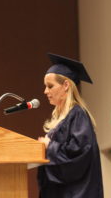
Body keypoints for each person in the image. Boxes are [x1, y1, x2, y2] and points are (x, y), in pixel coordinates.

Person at [37, 53, 104, 198]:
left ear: (66, 85)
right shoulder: (61, 119)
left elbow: (79, 155)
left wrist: (50, 146)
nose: (45, 91)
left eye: (50, 86)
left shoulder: (77, 115)